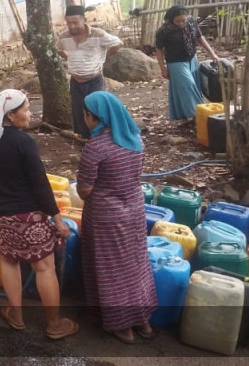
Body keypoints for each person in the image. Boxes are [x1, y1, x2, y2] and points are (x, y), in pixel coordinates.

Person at [0, 89, 78, 340]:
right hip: (27, 216)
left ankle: (16, 316)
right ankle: (54, 324)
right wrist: (57, 218)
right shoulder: (24, 142)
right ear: (10, 115)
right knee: (43, 267)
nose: (30, 114)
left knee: (8, 260)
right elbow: (40, 185)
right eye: (26, 109)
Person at [77, 91, 157, 344]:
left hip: (105, 217)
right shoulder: (135, 140)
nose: (85, 118)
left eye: (86, 114)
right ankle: (142, 321)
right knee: (135, 265)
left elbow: (84, 190)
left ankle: (122, 326)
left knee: (110, 269)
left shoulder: (96, 147)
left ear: (95, 117)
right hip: (134, 211)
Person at [55, 3, 123, 138]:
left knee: (97, 111)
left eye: (75, 22)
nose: (72, 26)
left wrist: (105, 55)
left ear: (84, 20)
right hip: (75, 82)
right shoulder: (64, 37)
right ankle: (84, 142)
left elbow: (118, 43)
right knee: (79, 113)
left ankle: (102, 141)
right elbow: (58, 48)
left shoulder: (99, 34)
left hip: (94, 80)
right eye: (69, 23)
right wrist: (68, 57)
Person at [154, 5, 220, 124]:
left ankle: (184, 115)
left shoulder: (191, 22)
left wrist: (212, 54)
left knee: (194, 86)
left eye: (183, 20)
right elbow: (159, 50)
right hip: (175, 62)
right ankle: (198, 115)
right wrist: (162, 68)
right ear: (170, 19)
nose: (180, 23)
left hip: (191, 59)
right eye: (177, 21)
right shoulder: (164, 31)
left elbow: (200, 38)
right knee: (187, 85)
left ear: (187, 17)